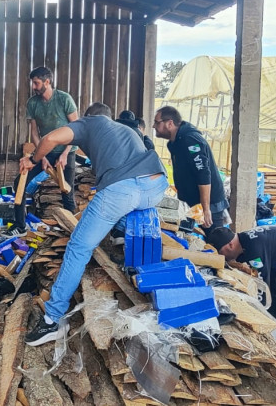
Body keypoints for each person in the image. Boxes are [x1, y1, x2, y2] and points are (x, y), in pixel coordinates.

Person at [23, 103, 168, 346]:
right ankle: (120, 234)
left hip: (123, 190)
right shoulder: (125, 130)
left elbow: (50, 138)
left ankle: (52, 320)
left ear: (88, 118)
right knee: (127, 204)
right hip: (155, 188)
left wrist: (33, 160)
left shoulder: (89, 123)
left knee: (78, 247)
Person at [206, 225, 276, 329]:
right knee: (274, 293)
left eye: (220, 253)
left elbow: (262, 285)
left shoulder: (254, 249)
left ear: (230, 245)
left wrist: (257, 315)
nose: (221, 257)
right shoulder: (244, 241)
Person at [12, 66, 79, 230]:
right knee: (19, 183)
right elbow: (34, 133)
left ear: (47, 82)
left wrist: (64, 154)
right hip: (44, 151)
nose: (33, 87)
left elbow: (77, 128)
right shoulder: (33, 103)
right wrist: (41, 156)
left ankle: (75, 231)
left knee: (66, 192)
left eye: (36, 83)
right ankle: (19, 227)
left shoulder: (64, 99)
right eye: (33, 83)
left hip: (66, 151)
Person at [153, 106, 228, 232]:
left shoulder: (190, 140)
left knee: (214, 243)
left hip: (208, 205)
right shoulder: (175, 142)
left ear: (170, 123)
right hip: (192, 205)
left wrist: (206, 209)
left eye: (157, 122)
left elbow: (203, 174)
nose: (153, 126)